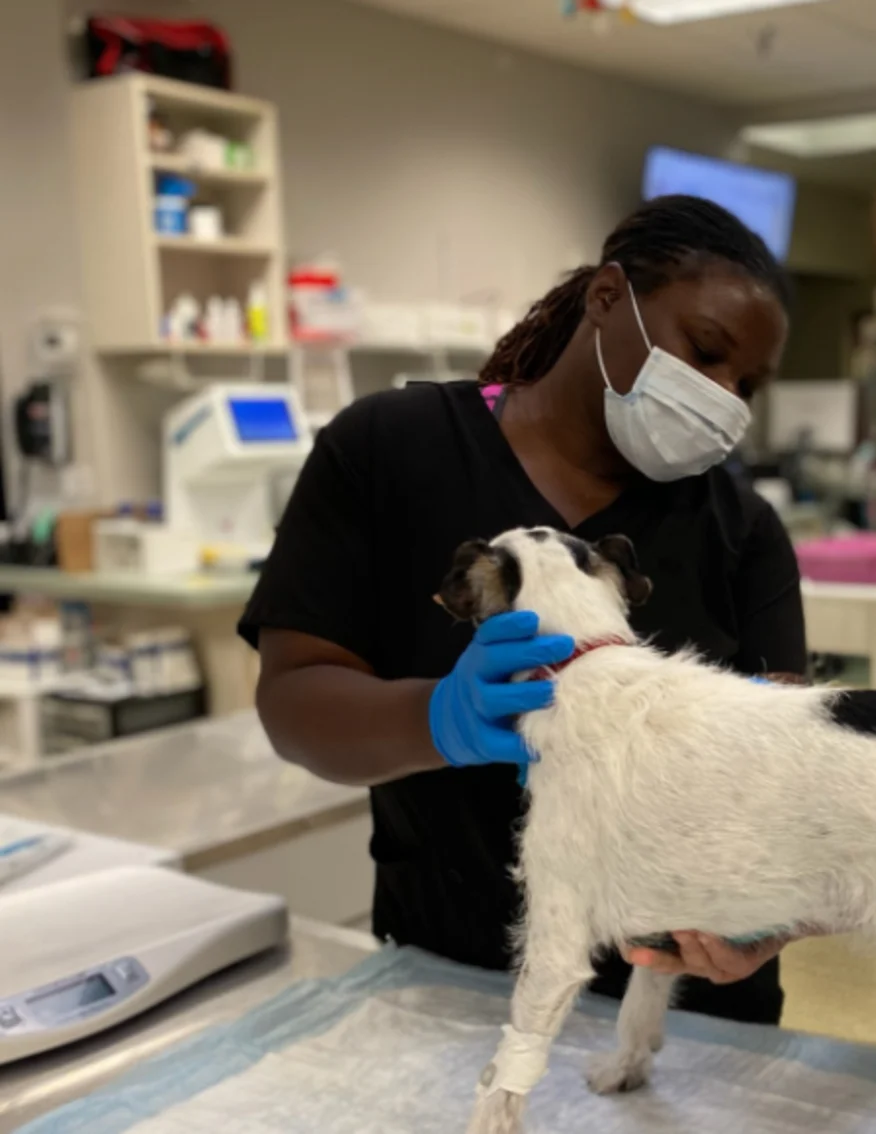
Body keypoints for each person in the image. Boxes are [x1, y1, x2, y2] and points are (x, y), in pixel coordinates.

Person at [241, 196, 807, 1026]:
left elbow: (791, 763)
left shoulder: (740, 528)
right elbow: (292, 701)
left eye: (745, 384)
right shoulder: (388, 452)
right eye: (706, 352)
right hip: (451, 988)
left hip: (684, 1011)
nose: (723, 397)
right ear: (607, 297)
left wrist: (764, 912)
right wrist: (436, 716)